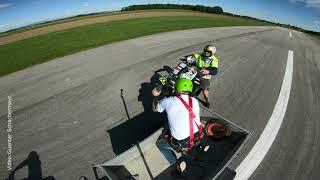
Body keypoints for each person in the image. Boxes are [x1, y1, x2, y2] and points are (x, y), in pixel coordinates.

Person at [152, 78, 204, 174]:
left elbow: (155, 109)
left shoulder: (169, 101)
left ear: (177, 89)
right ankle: (193, 152)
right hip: (198, 136)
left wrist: (156, 96)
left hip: (183, 142)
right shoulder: (194, 100)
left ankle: (175, 163)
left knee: (160, 145)